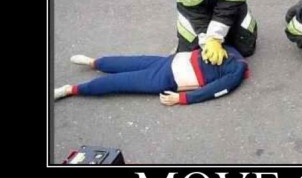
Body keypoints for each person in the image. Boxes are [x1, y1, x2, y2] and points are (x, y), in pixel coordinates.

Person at [54, 46, 248, 106]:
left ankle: (71, 89)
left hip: (169, 77)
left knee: (119, 81)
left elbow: (215, 90)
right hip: (170, 61)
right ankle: (94, 62)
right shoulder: (231, 50)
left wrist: (183, 98)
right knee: (126, 63)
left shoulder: (236, 70)